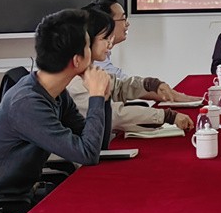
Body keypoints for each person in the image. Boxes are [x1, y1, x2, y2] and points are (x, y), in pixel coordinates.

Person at [0, 9, 111, 213]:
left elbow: (98, 144)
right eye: (87, 46)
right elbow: (87, 154)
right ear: (76, 60)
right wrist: (95, 96)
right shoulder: (27, 103)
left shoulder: (54, 92)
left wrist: (103, 98)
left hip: (20, 206)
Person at [68, 9, 196, 135]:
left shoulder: (89, 71)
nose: (110, 44)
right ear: (87, 41)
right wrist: (166, 116)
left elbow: (119, 87)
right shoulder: (75, 82)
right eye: (105, 38)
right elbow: (115, 116)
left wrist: (150, 84)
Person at [84, 0, 199, 105]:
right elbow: (118, 107)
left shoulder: (102, 56)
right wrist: (166, 108)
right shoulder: (95, 64)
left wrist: (154, 85)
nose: (127, 24)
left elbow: (122, 85)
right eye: (123, 19)